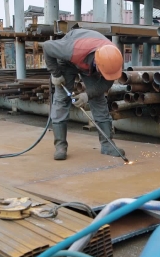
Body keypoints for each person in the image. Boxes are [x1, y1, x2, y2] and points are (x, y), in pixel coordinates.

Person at [43, 28, 125, 160]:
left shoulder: (113, 58)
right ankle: (60, 146)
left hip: (88, 64)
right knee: (62, 99)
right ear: (98, 64)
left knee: (98, 100)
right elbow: (47, 47)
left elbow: (106, 82)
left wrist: (87, 95)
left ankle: (107, 145)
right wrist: (56, 74)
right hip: (69, 60)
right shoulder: (71, 49)